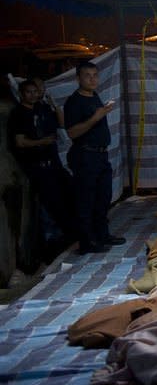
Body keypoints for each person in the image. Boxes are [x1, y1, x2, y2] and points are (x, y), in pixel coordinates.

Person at [7, 79, 77, 257]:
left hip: (53, 163)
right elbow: (20, 142)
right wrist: (41, 142)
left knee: (68, 194)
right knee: (49, 204)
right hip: (37, 166)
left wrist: (55, 105)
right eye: (29, 92)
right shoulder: (18, 114)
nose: (33, 94)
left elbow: (62, 124)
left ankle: (69, 234)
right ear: (22, 94)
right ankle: (53, 242)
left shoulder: (43, 109)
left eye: (36, 91)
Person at [64, 61, 124, 254]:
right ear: (78, 78)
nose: (92, 79)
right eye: (87, 75)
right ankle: (87, 243)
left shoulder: (94, 96)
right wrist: (96, 117)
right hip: (85, 155)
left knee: (103, 198)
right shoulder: (74, 102)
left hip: (100, 155)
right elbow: (72, 133)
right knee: (86, 200)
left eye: (95, 75)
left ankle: (102, 235)